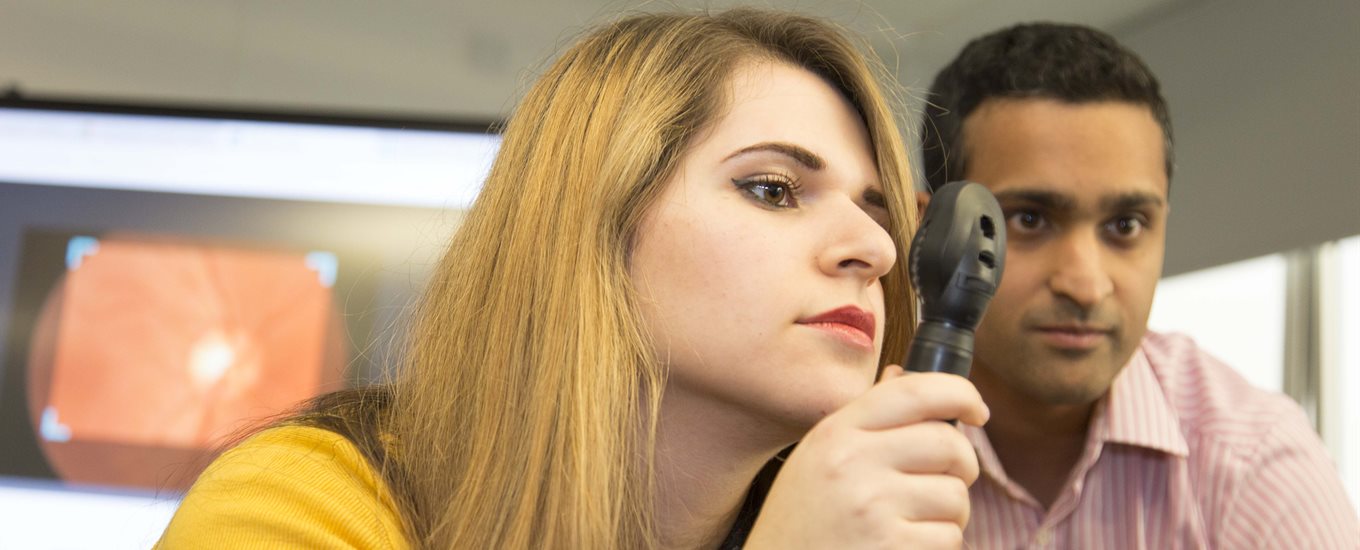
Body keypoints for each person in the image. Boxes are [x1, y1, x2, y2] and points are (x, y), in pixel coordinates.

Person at [157, 9, 990, 549]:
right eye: (771, 189)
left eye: (878, 213)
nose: (875, 251)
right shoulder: (298, 508)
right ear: (591, 226)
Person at [919, 22, 1359, 548]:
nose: (1085, 285)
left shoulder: (1254, 464)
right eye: (1029, 219)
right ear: (931, 230)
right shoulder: (833, 434)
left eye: (1125, 225)